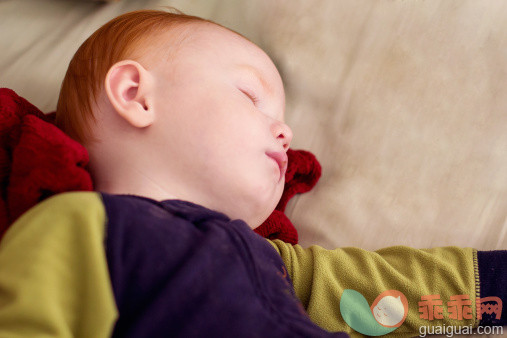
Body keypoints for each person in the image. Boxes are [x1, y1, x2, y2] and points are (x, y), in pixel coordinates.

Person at [0, 9, 504, 338]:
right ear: (136, 94)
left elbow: (395, 296)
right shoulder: (72, 226)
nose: (285, 131)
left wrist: (493, 297)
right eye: (250, 96)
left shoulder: (278, 266)